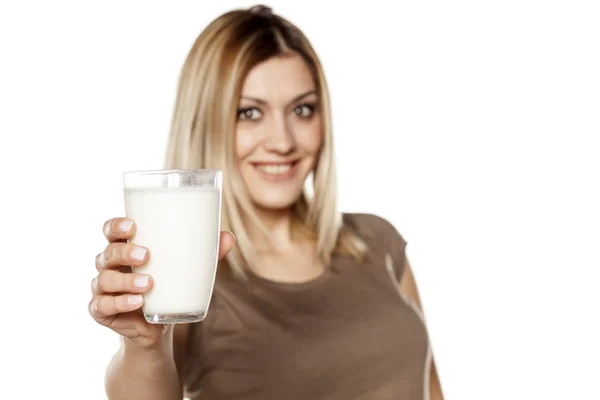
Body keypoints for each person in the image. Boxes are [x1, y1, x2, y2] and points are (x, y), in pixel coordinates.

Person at [89, 5, 444, 400]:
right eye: (250, 112)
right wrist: (143, 345)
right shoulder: (190, 276)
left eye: (302, 109)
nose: (282, 141)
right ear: (205, 122)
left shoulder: (377, 242)